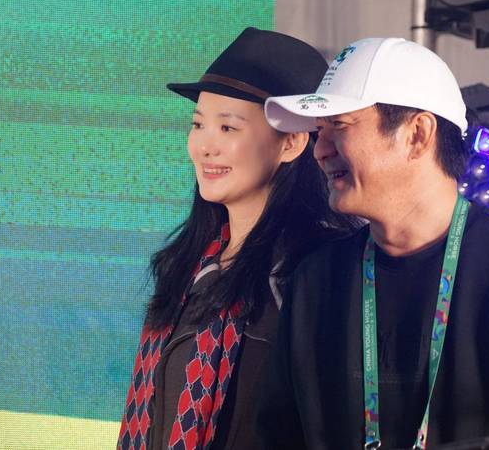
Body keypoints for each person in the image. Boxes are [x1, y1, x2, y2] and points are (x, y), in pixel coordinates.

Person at [258, 37, 489, 449]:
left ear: (417, 134)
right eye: (319, 131)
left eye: (340, 125)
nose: (320, 150)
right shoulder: (316, 282)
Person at [116, 27, 359, 450]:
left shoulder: (313, 270)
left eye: (228, 128)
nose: (204, 147)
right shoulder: (191, 265)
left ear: (291, 144)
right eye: (198, 125)